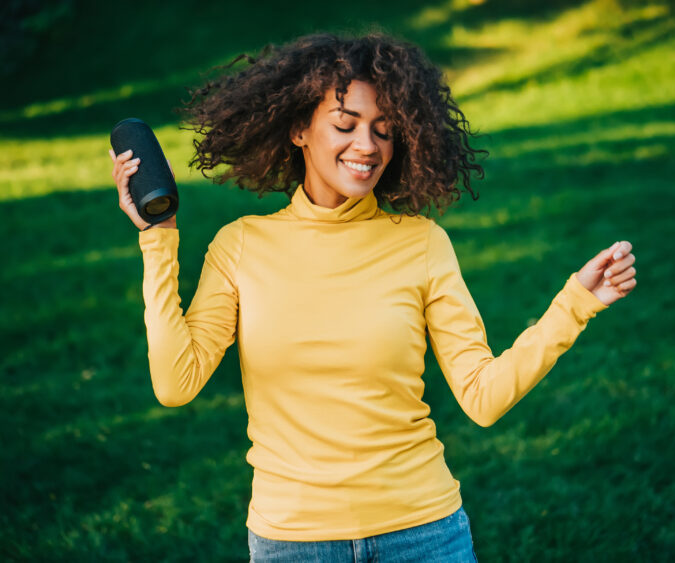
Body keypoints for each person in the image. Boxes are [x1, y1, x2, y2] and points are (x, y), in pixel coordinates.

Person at [109, 33, 636, 563]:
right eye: (345, 125)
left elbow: (484, 396)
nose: (368, 146)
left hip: (425, 534)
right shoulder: (242, 246)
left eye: (384, 132)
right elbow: (176, 383)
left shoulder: (421, 242)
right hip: (292, 542)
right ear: (299, 130)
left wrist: (575, 303)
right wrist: (159, 236)